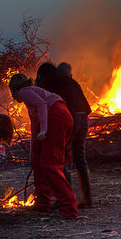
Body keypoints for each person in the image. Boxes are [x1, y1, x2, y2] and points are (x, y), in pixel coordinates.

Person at [9, 73, 78, 219]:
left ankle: (68, 209)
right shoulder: (32, 95)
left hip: (56, 117)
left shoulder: (25, 91)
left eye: (11, 93)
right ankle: (42, 203)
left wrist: (45, 130)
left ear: (14, 89)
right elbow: (35, 125)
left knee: (50, 165)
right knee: (40, 161)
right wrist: (32, 153)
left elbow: (42, 105)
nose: (13, 97)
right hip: (62, 116)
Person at [36, 62, 93, 208]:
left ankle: (65, 199)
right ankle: (87, 199)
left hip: (73, 120)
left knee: (62, 157)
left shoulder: (57, 86)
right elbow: (87, 107)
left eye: (40, 78)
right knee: (80, 157)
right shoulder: (72, 83)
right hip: (84, 119)